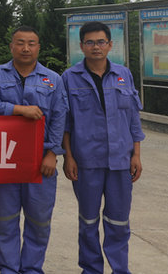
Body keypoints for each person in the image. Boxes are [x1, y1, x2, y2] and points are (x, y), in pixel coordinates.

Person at [0, 26, 67, 274]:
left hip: (40, 160)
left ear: (38, 47)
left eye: (31, 43)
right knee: (5, 218)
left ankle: (31, 268)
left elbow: (59, 117)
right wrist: (19, 110)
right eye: (20, 43)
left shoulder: (53, 79)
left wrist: (53, 153)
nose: (25, 48)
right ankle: (8, 268)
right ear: (11, 46)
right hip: (4, 158)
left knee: (39, 220)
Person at [61, 21, 144, 274]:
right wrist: (68, 157)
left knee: (119, 221)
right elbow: (65, 123)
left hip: (120, 160)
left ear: (110, 45)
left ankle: (120, 269)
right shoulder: (69, 78)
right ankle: (91, 269)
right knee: (88, 221)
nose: (95, 47)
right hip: (86, 161)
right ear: (81, 46)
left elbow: (133, 117)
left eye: (100, 42)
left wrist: (137, 154)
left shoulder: (123, 74)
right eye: (90, 42)